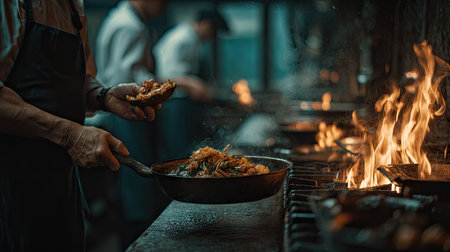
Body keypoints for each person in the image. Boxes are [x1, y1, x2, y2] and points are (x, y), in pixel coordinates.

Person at [0, 1, 160, 251]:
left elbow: (76, 81)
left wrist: (103, 96)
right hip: (11, 184)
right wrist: (70, 135)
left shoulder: (73, 7)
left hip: (61, 180)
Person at [94, 0, 170, 249]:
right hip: (126, 110)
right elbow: (125, 77)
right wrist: (157, 84)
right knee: (137, 189)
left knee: (133, 185)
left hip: (122, 110)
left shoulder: (123, 19)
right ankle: (137, 242)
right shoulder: (129, 26)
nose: (163, 7)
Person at [153, 9, 229, 160]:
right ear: (206, 25)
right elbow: (163, 77)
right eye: (213, 33)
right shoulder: (181, 38)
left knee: (186, 151)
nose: (211, 38)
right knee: (177, 154)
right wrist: (193, 84)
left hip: (183, 103)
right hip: (174, 103)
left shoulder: (193, 40)